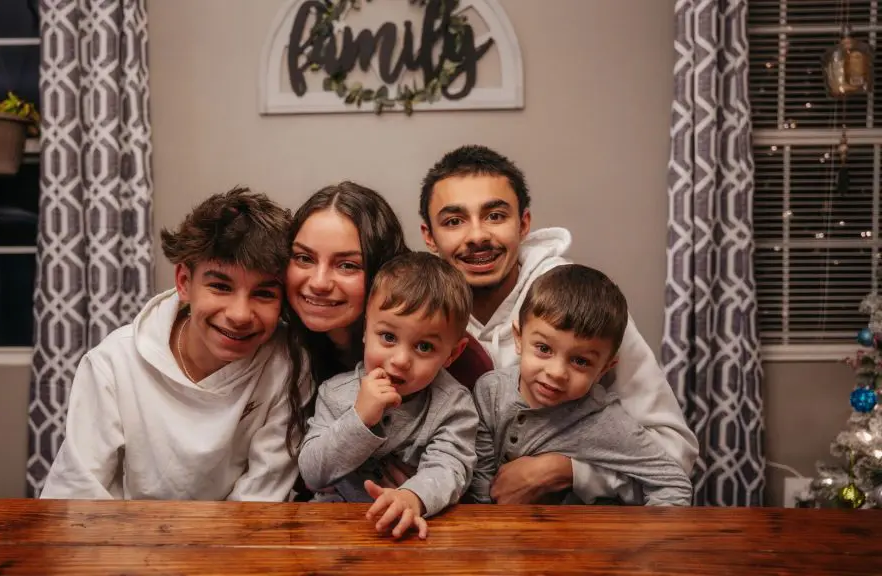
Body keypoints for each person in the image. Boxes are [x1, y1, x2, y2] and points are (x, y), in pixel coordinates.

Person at [419, 144, 699, 505]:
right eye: (454, 221)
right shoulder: (419, 310)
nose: (476, 236)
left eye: (495, 216)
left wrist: (567, 472)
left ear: (523, 224)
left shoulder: (577, 308)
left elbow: (676, 452)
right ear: (429, 236)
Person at [40, 187, 306, 501]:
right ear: (184, 282)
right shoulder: (113, 363)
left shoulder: (287, 365)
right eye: (220, 286)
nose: (239, 315)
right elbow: (76, 492)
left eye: (264, 293)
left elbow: (260, 499)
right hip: (126, 539)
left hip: (234, 541)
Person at [469, 264, 692, 506]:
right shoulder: (489, 392)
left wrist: (650, 540)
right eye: (544, 349)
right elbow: (481, 477)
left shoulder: (603, 422)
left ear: (605, 368)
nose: (556, 373)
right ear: (519, 338)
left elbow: (673, 482)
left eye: (580, 361)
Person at [298, 252, 478, 539]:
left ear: (452, 354)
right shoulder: (335, 393)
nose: (400, 360)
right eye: (389, 338)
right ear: (366, 330)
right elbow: (312, 473)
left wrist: (411, 497)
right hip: (334, 521)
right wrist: (359, 419)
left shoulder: (453, 404)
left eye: (424, 347)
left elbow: (451, 467)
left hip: (414, 524)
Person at [285, 181, 492, 394]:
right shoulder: (275, 341)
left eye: (348, 265)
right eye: (304, 258)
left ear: (383, 270)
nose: (319, 283)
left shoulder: (460, 363)